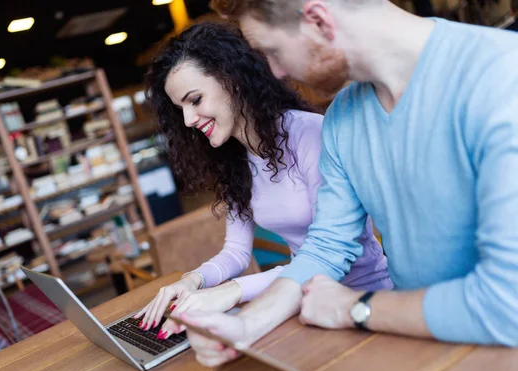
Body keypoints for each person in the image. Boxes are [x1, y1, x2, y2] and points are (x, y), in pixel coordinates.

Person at [177, 0, 518, 367]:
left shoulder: (501, 76)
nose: (273, 72)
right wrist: (246, 325)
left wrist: (354, 308)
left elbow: (506, 303)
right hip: (419, 346)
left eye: (273, 52)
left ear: (319, 20)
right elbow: (326, 246)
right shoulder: (342, 118)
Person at [136, 23, 392, 338]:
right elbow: (236, 252)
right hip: (303, 304)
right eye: (181, 109)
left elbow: (331, 252)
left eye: (195, 99)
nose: (188, 120)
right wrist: (192, 281)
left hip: (362, 299)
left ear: (232, 80)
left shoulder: (309, 134)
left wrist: (232, 291)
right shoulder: (234, 160)